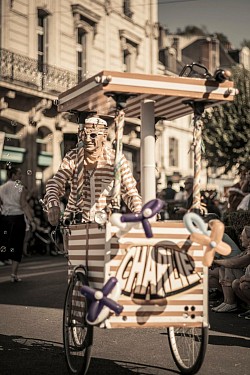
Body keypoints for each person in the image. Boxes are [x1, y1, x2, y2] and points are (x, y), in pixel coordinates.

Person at [44, 116, 142, 227]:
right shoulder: (72, 157)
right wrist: (53, 204)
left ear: (104, 137)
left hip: (105, 223)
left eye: (93, 135)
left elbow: (130, 193)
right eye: (84, 135)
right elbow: (55, 183)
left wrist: (139, 212)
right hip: (74, 223)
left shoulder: (116, 159)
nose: (87, 139)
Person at [0, 166, 35, 282]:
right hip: (17, 218)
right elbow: (24, 205)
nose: (21, 176)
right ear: (13, 175)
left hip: (5, 218)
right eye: (19, 174)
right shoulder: (20, 188)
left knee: (4, 243)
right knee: (17, 245)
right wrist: (31, 220)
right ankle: (13, 275)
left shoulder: (1, 188)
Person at [211, 225, 250, 313]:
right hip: (242, 277)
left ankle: (231, 303)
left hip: (245, 279)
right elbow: (232, 260)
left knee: (230, 268)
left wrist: (216, 262)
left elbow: (235, 263)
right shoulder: (246, 250)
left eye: (242, 236)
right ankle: (227, 301)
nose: (240, 238)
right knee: (225, 268)